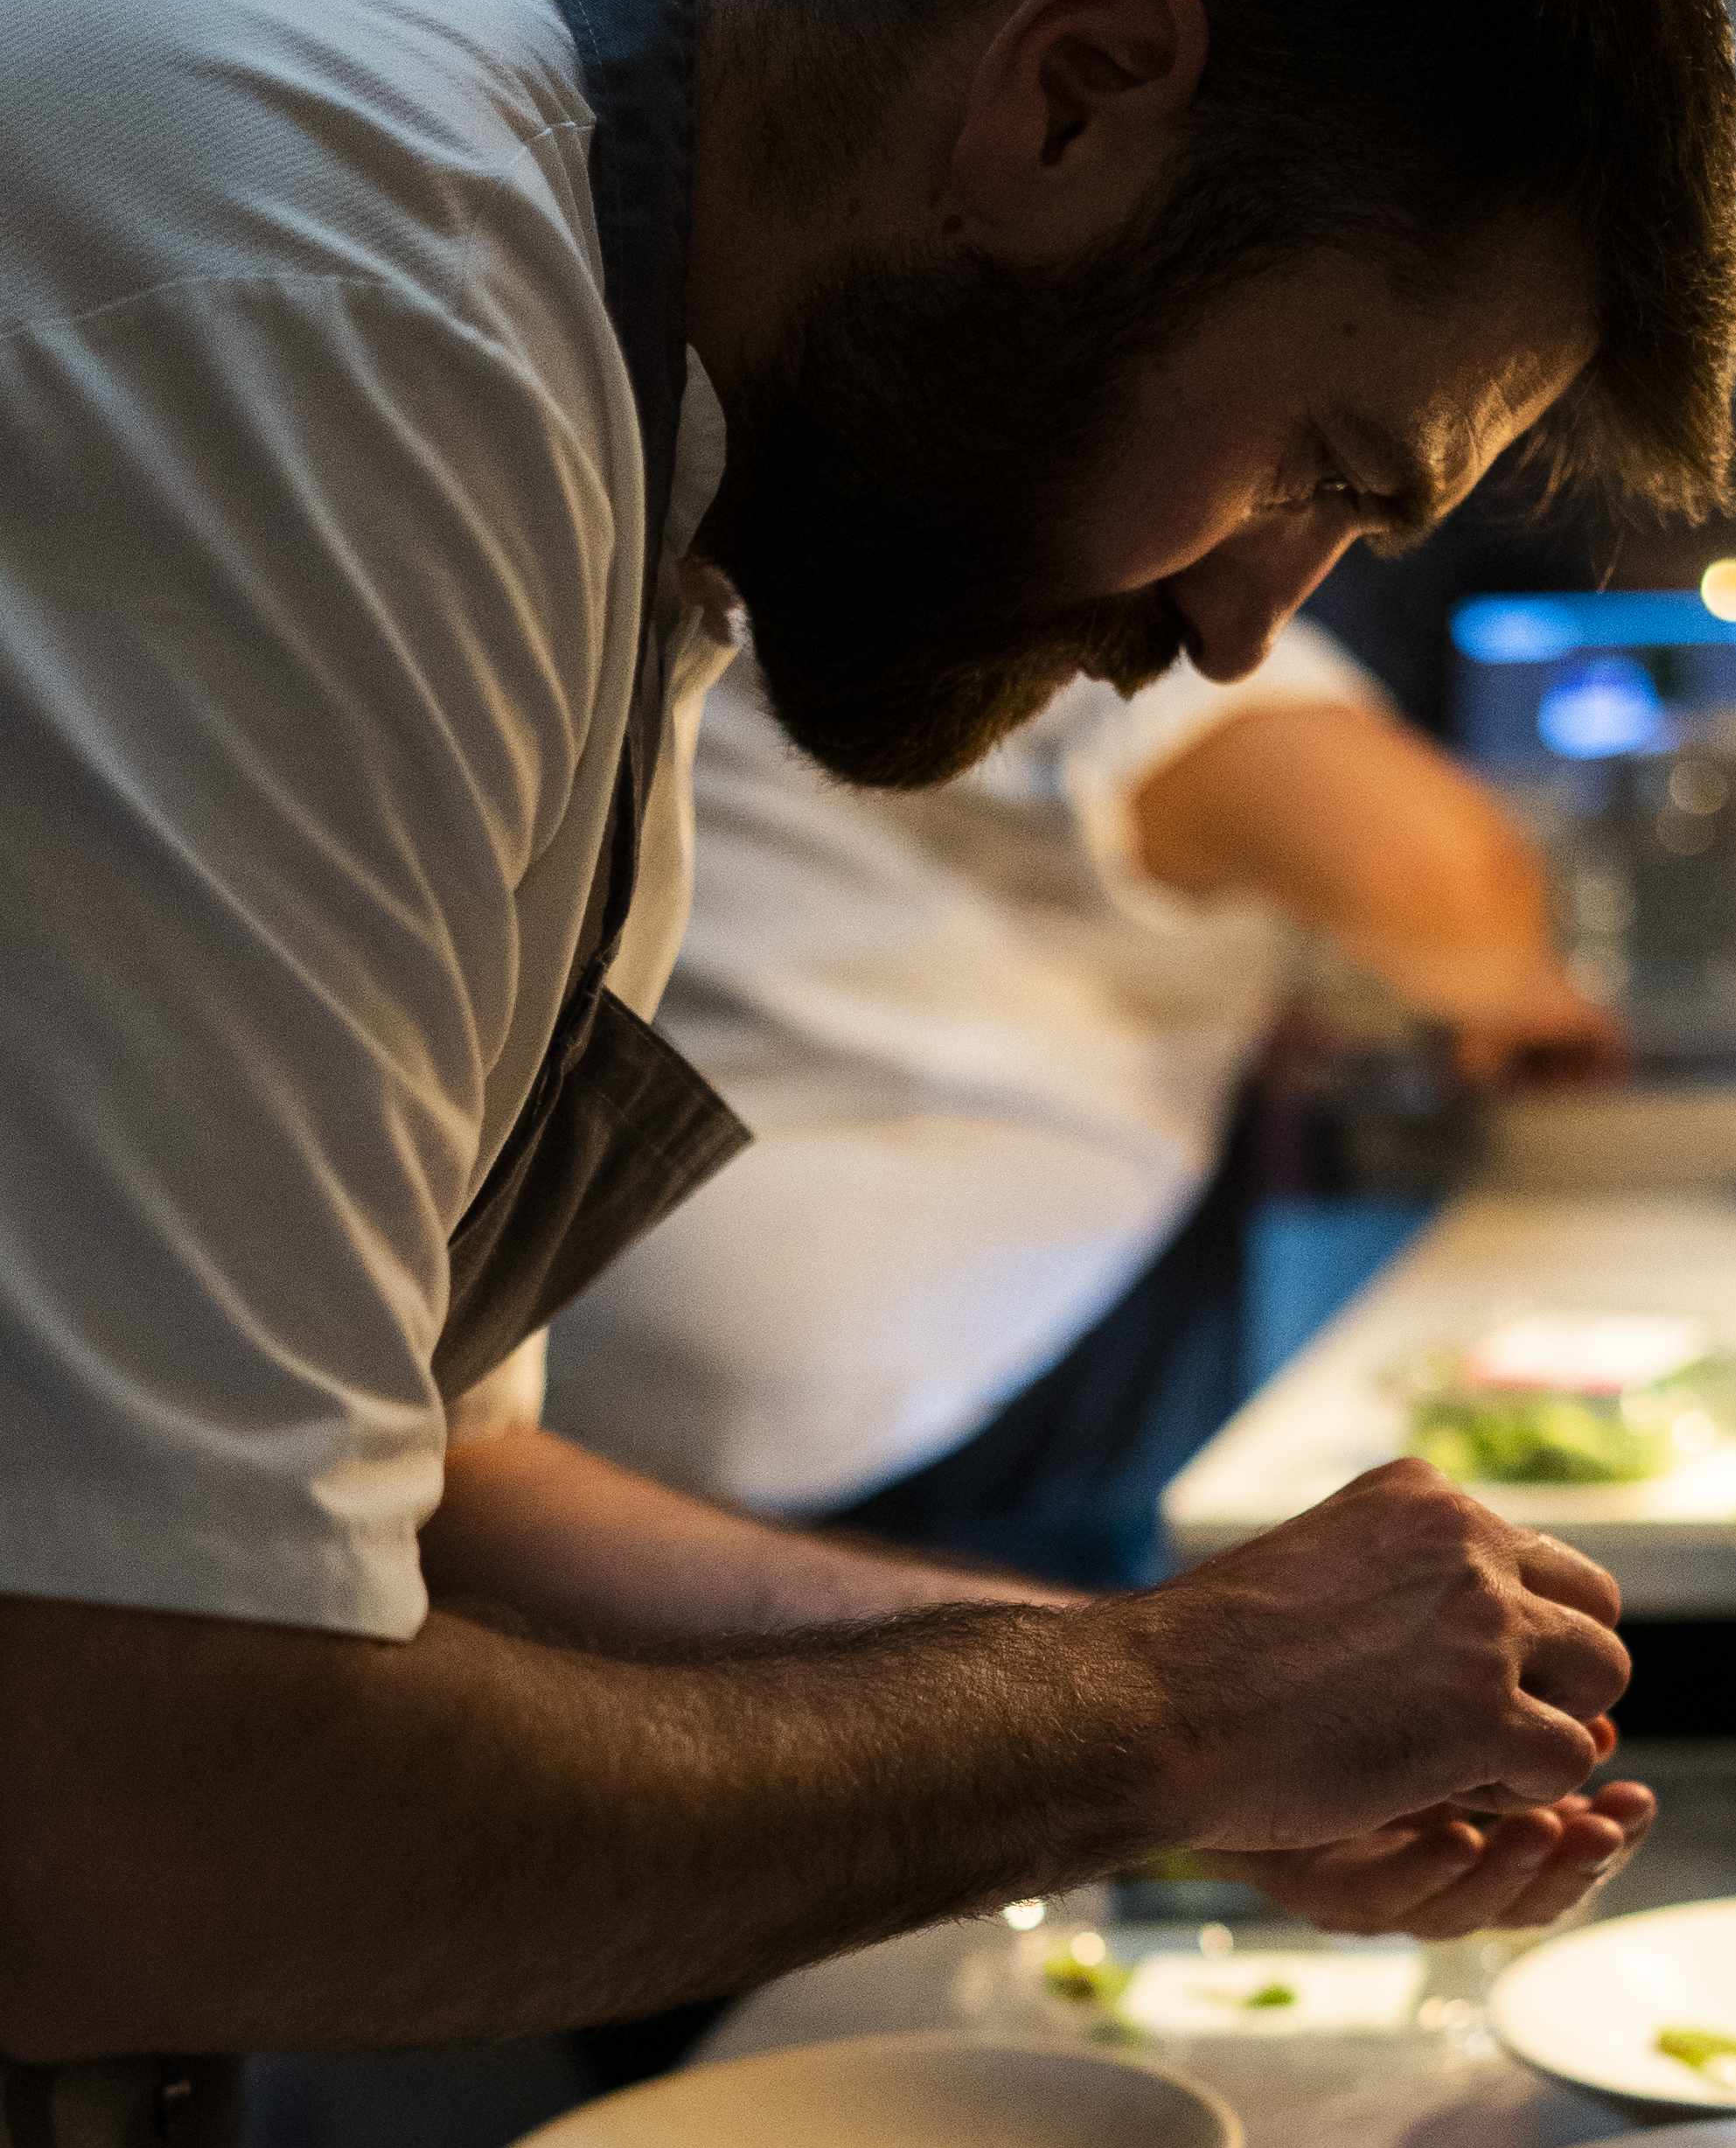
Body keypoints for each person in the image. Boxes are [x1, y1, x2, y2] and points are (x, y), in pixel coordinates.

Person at [0, 0, 1736, 2148]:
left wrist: (1145, 1699)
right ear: (1069, 92)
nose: (1231, 627)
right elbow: (112, 1781)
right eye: (1316, 464)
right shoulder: (351, 293)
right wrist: (1149, 1727)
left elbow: (439, 1497)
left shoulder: (627, 397)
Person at [544, 624, 1628, 1573]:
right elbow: (1436, 871)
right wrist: (1527, 996)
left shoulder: (771, 510)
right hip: (934, 1421)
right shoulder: (1079, 561)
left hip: (601, 1401)